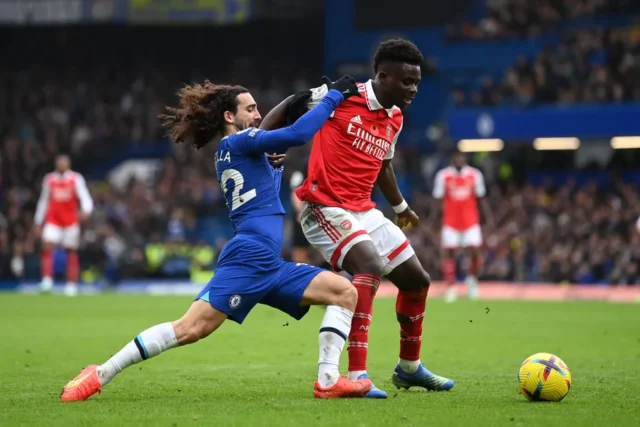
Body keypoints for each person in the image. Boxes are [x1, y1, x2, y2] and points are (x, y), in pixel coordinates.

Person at [60, 76, 373, 401]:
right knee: (190, 329)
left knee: (344, 292)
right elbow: (298, 134)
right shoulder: (239, 143)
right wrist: (333, 97)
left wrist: (305, 97)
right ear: (229, 116)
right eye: (249, 108)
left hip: (271, 264)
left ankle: (327, 380)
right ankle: (99, 374)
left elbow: (278, 127)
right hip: (249, 257)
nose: (256, 113)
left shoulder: (247, 150)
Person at [260, 38, 453, 398]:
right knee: (368, 264)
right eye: (406, 82)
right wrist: (263, 144)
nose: (413, 90)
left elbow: (383, 163)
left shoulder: (395, 116)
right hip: (323, 207)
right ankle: (357, 373)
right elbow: (290, 105)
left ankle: (409, 369)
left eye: (417, 83)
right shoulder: (341, 96)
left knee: (417, 280)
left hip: (364, 210)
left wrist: (399, 207)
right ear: (382, 76)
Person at [433, 151, 493, 303]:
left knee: (475, 251)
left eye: (462, 156)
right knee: (449, 253)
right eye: (457, 156)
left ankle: (472, 280)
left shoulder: (475, 174)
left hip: (470, 220)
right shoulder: (443, 176)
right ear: (453, 158)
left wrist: (488, 218)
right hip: (450, 221)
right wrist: (432, 220)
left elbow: (481, 199)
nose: (459, 159)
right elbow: (438, 201)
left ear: (465, 159)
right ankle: (451, 287)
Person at [34, 154, 93, 297]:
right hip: (53, 220)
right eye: (59, 162)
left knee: (71, 250)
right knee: (47, 246)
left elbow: (85, 197)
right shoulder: (49, 179)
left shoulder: (75, 179)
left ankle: (71, 285)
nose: (61, 165)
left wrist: (86, 210)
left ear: (68, 164)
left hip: (70, 221)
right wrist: (37, 221)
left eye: (64, 162)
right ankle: (47, 281)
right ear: (56, 164)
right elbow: (44, 200)